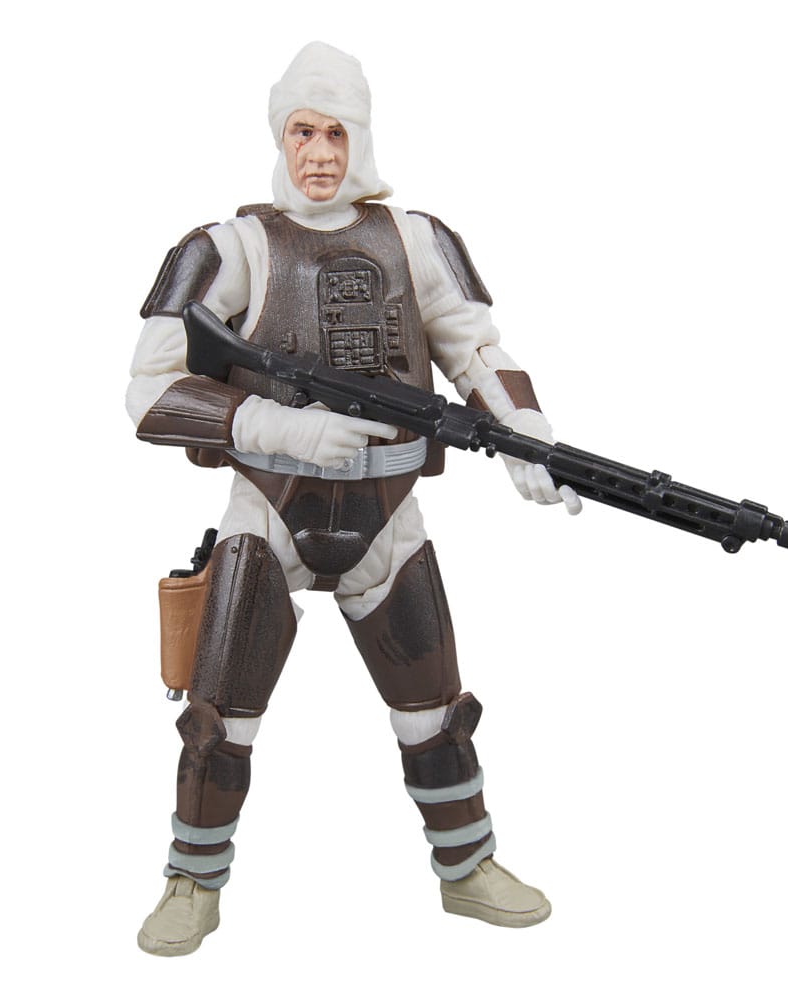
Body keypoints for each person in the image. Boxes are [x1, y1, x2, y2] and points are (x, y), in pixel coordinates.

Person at [128, 41, 580, 957]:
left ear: (362, 137)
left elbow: (476, 349)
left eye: (337, 133)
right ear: (279, 137)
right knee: (219, 720)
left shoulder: (415, 239)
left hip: (387, 516)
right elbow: (150, 392)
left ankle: (467, 867)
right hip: (269, 509)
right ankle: (192, 880)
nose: (320, 154)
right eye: (303, 132)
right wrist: (278, 427)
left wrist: (527, 438)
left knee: (436, 711)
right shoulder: (231, 248)